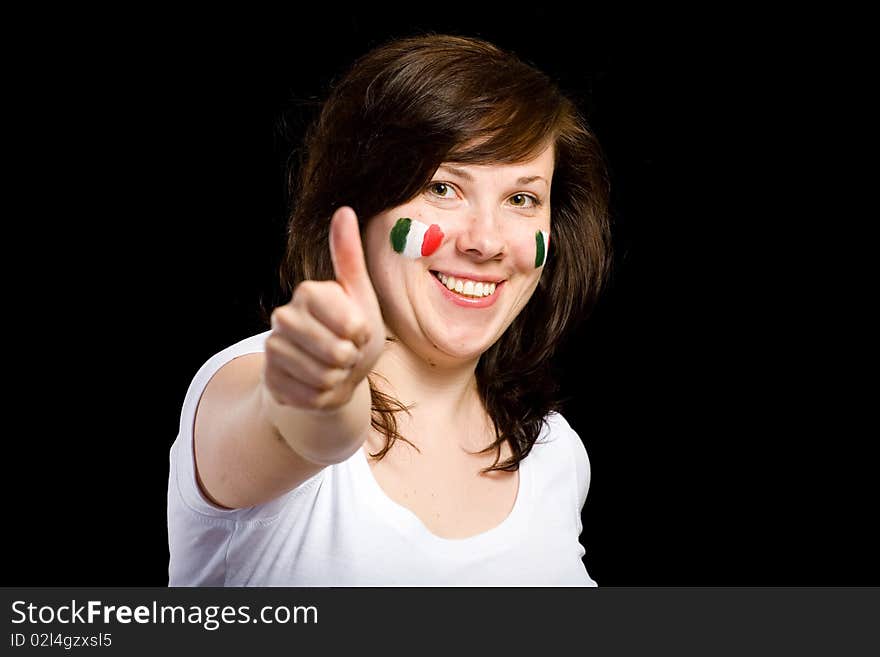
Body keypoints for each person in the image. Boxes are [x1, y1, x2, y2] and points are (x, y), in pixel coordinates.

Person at [167, 34, 611, 586]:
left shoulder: (554, 452)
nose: (487, 242)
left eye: (521, 199)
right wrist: (326, 398)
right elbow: (302, 428)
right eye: (443, 187)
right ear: (360, 205)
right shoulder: (255, 377)